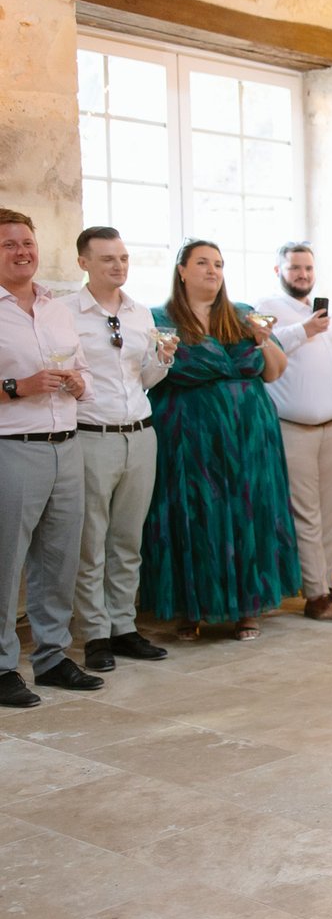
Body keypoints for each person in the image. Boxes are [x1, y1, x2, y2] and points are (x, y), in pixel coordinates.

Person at [142, 238, 299, 641]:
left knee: (249, 514)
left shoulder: (244, 315)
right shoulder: (159, 319)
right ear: (182, 270)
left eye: (218, 263)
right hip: (188, 438)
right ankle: (189, 609)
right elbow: (147, 376)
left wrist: (263, 340)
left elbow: (274, 372)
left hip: (250, 437)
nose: (212, 270)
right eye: (202, 263)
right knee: (193, 515)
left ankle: (249, 608)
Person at [0, 209, 102, 707]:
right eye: (8, 244)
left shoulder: (57, 308)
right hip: (13, 448)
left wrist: (80, 382)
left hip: (67, 444)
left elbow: (83, 368)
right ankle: (1, 667)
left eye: (27, 243)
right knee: (5, 563)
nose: (22, 252)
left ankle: (52, 657)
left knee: (58, 560)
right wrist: (18, 386)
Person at [69, 226, 174, 671]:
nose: (119, 266)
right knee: (90, 540)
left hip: (141, 433)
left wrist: (162, 359)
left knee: (128, 538)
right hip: (92, 434)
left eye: (124, 258)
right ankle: (94, 634)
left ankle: (124, 626)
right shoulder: (65, 312)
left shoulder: (140, 313)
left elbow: (145, 379)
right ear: (84, 263)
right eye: (108, 258)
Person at [257, 242, 332, 623]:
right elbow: (264, 348)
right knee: (306, 514)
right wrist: (305, 330)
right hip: (294, 428)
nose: (303, 274)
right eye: (295, 268)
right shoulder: (267, 308)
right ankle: (315, 594)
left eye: (308, 268)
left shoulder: (327, 316)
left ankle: (327, 584)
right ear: (279, 271)